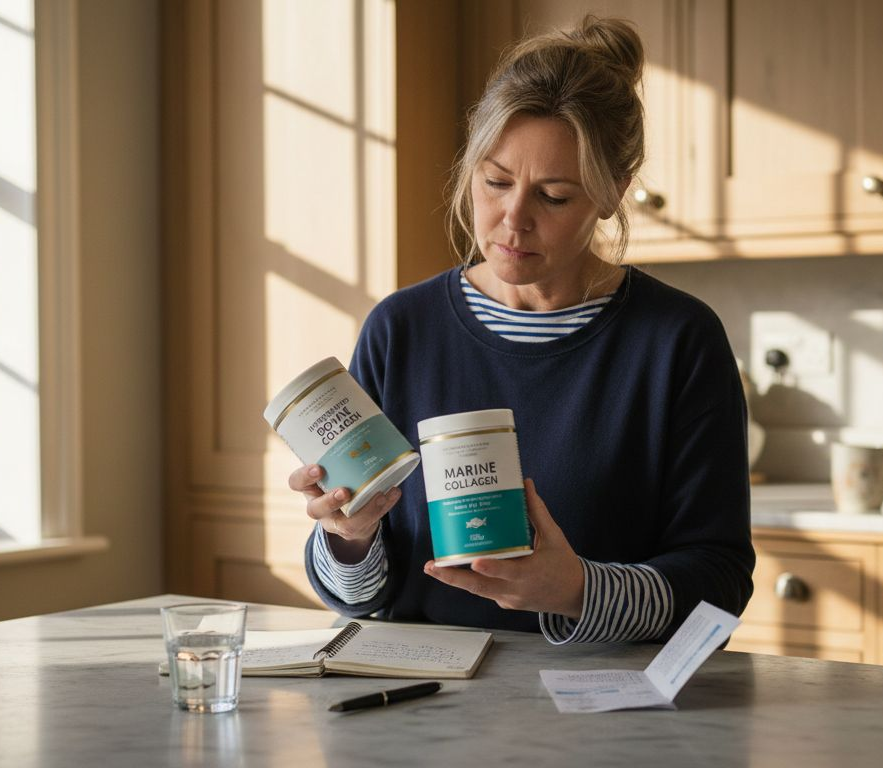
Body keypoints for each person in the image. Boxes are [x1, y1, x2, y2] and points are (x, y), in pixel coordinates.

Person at [292, 16, 754, 643]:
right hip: (420, 713)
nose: (513, 220)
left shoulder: (678, 342)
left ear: (614, 190)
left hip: (606, 715)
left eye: (555, 196)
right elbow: (363, 598)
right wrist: (347, 538)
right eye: (496, 182)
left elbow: (720, 580)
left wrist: (576, 592)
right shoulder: (399, 330)